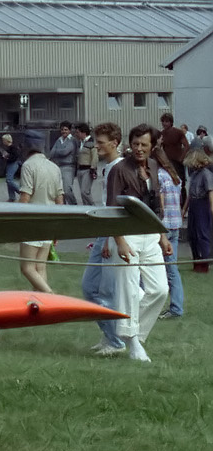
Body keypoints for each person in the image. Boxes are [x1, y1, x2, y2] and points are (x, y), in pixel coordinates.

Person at [107, 123, 172, 362]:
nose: (139, 148)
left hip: (150, 235)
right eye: (135, 144)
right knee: (129, 291)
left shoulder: (154, 167)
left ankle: (133, 333)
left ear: (152, 146)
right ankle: (133, 342)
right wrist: (119, 242)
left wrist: (163, 236)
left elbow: (156, 207)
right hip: (127, 236)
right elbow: (111, 209)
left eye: (144, 144)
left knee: (159, 290)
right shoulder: (119, 170)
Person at [81, 122, 127, 355]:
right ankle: (110, 335)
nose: (96, 146)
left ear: (114, 143)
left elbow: (116, 208)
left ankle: (116, 341)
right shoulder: (107, 167)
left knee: (104, 291)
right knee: (90, 288)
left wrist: (110, 238)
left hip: (111, 234)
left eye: (100, 142)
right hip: (104, 232)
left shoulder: (118, 168)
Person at [17, 130, 63, 293]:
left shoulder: (28, 166)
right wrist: (58, 227)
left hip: (32, 222)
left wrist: (15, 220)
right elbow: (60, 199)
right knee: (40, 267)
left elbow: (25, 197)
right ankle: (43, 304)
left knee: (27, 267)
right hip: (50, 222)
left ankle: (51, 297)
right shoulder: (54, 167)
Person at [156, 155, 184, 318]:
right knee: (172, 268)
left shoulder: (158, 177)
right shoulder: (175, 177)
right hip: (176, 223)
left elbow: (161, 204)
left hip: (164, 226)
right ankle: (176, 307)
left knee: (160, 268)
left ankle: (175, 308)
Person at [186, 148, 212, 274]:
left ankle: (204, 262)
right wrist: (184, 209)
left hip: (202, 203)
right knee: (192, 234)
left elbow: (210, 191)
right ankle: (196, 260)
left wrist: (211, 208)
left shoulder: (206, 174)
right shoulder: (194, 174)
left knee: (202, 233)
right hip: (194, 204)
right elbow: (190, 195)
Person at [49, 121, 78, 204]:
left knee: (67, 190)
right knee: (60, 191)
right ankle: (64, 207)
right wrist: (57, 152)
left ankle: (74, 206)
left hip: (68, 167)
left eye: (66, 129)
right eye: (62, 130)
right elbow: (51, 152)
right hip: (58, 167)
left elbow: (65, 152)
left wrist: (56, 151)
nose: (63, 131)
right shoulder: (59, 140)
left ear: (69, 130)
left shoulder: (72, 140)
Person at [73, 123, 95, 207]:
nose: (77, 134)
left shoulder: (91, 143)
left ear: (84, 133)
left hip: (87, 169)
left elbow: (94, 156)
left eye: (78, 132)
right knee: (82, 193)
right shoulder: (80, 143)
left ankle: (93, 206)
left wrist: (93, 168)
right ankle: (86, 207)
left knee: (84, 191)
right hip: (80, 169)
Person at [0, 133, 22, 201]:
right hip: (11, 163)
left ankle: (20, 191)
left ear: (7, 140)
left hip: (13, 163)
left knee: (9, 180)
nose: (3, 142)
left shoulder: (13, 148)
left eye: (4, 140)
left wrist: (7, 157)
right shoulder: (9, 148)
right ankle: (12, 197)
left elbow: (15, 156)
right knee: (9, 180)